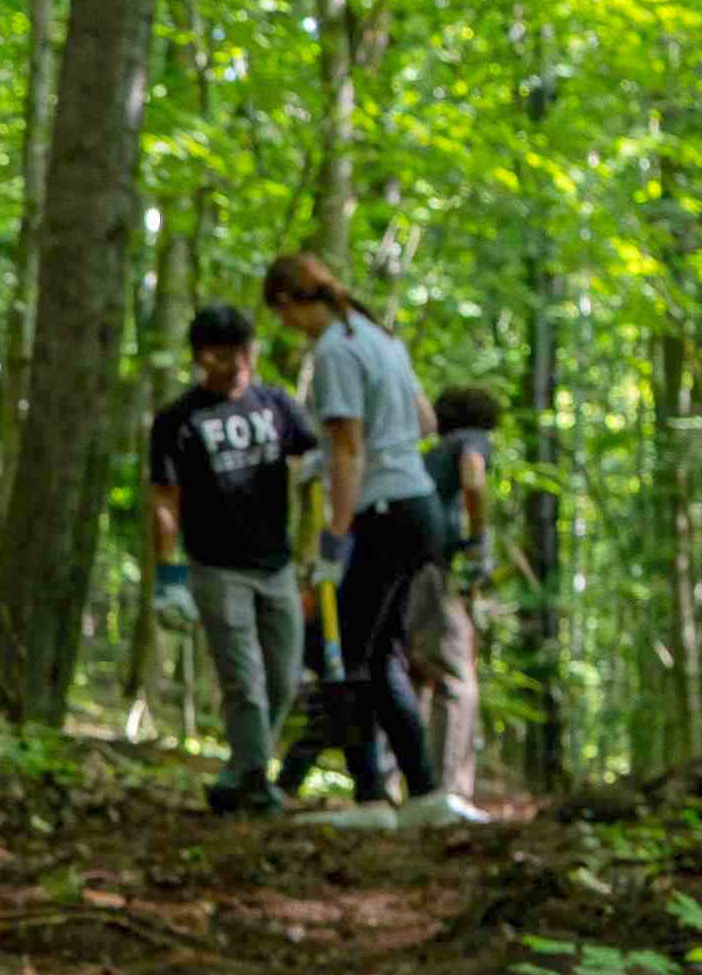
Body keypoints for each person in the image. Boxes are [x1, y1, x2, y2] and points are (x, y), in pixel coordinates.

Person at [264, 250, 458, 822]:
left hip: (383, 511)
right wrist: (339, 458)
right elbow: (423, 420)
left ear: (289, 303)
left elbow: (349, 447)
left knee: (343, 653)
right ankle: (423, 793)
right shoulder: (380, 338)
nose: (288, 329)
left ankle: (370, 796)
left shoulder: (335, 350)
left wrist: (335, 538)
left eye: (283, 317)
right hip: (419, 505)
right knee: (377, 654)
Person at [141, 303, 318, 815]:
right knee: (244, 678)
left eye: (244, 351)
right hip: (216, 568)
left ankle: (238, 771)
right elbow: (163, 500)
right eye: (223, 355)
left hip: (277, 566)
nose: (237, 363)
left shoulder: (279, 406)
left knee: (284, 677)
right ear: (201, 358)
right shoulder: (178, 421)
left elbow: (315, 466)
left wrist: (320, 547)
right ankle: (258, 784)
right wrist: (169, 575)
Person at [410, 383, 503, 812]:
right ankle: (447, 790)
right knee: (455, 675)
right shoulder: (470, 442)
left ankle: (407, 784)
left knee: (414, 671)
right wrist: (480, 537)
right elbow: (473, 476)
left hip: (404, 562)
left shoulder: (429, 454)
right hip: (431, 564)